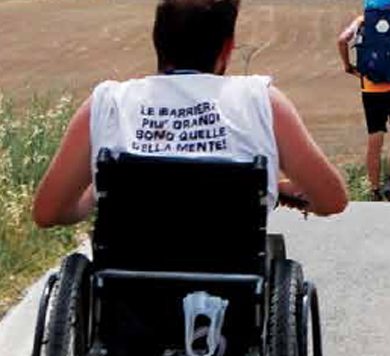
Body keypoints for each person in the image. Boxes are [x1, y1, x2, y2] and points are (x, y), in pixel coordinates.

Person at [33, 0, 348, 231]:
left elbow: (48, 211)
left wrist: (96, 194)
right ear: (227, 48)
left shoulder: (108, 102)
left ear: (157, 39)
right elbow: (332, 199)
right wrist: (271, 187)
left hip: (129, 285)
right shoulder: (260, 102)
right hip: (232, 283)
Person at [337, 0, 390, 201]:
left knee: (375, 139)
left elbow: (342, 40)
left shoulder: (362, 21)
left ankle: (374, 191)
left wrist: (348, 66)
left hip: (371, 88)